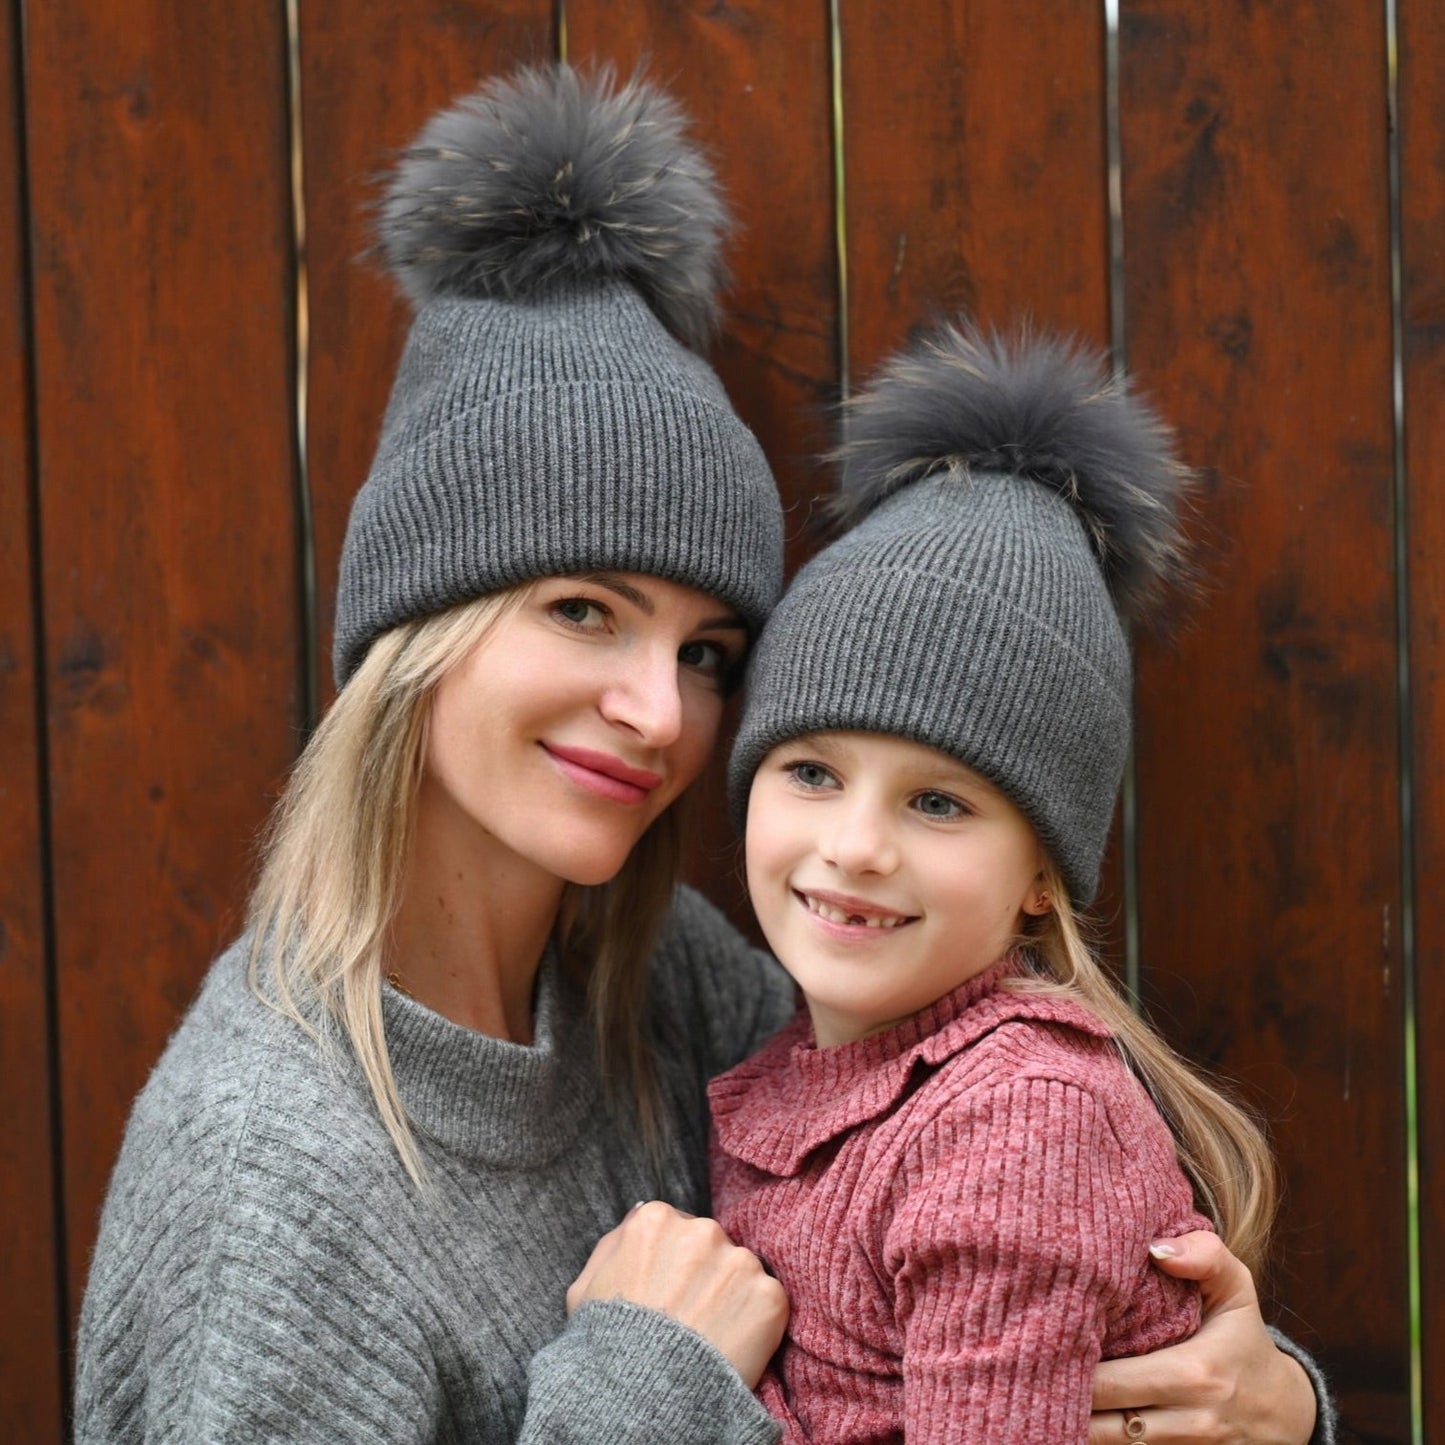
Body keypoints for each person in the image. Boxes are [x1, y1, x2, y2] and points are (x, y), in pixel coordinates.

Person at [73, 64, 1331, 1444]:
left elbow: (1002, 1266)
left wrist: (1265, 1402)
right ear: (420, 626)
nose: (660, 711)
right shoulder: (267, 1174)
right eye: (581, 610)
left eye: (708, 652)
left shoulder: (664, 985)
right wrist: (637, 1385)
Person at [711, 324, 1338, 1444]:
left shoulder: (1015, 1129)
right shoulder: (804, 1062)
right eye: (810, 770)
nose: (855, 844)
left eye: (938, 801)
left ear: (1041, 872)